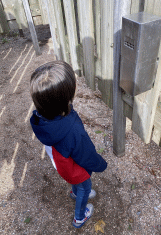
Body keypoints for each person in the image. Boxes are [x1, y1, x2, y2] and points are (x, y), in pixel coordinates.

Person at [30, 61, 107, 228]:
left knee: (76, 183)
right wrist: (100, 164)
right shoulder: (72, 129)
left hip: (61, 164)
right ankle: (80, 217)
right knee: (85, 188)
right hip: (74, 169)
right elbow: (85, 155)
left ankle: (74, 192)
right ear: (68, 96)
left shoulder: (39, 118)